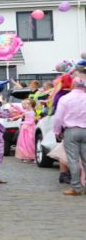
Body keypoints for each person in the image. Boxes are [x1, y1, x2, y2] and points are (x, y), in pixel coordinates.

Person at [53, 65, 86, 196]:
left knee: (73, 160)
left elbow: (58, 117)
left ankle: (77, 188)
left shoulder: (65, 98)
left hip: (71, 131)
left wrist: (57, 131)